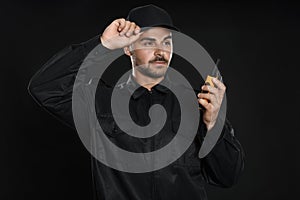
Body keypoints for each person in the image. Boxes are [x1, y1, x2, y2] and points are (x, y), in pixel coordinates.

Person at [28, 4, 245, 200]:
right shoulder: (99, 102)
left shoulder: (198, 104)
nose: (160, 51)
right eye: (149, 42)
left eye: (166, 42)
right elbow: (44, 87)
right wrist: (102, 45)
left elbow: (227, 176)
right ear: (128, 48)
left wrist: (213, 124)